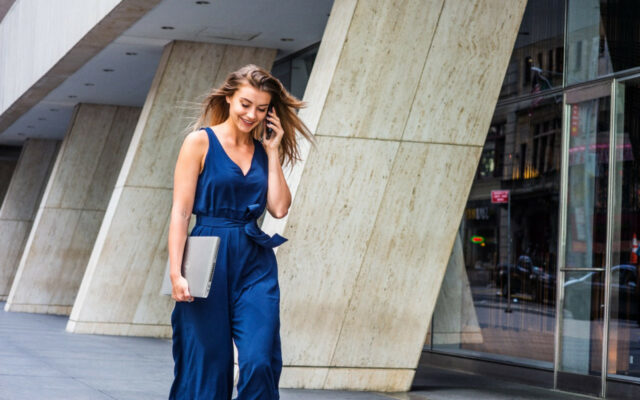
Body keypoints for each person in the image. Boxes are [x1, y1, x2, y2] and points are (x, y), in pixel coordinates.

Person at [168, 64, 313, 399]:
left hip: (254, 261)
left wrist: (274, 151)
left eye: (261, 109)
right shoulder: (199, 143)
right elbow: (180, 212)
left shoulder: (265, 151)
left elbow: (279, 208)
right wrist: (176, 272)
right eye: (246, 104)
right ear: (230, 97)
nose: (252, 114)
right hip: (205, 258)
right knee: (207, 364)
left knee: (259, 360)